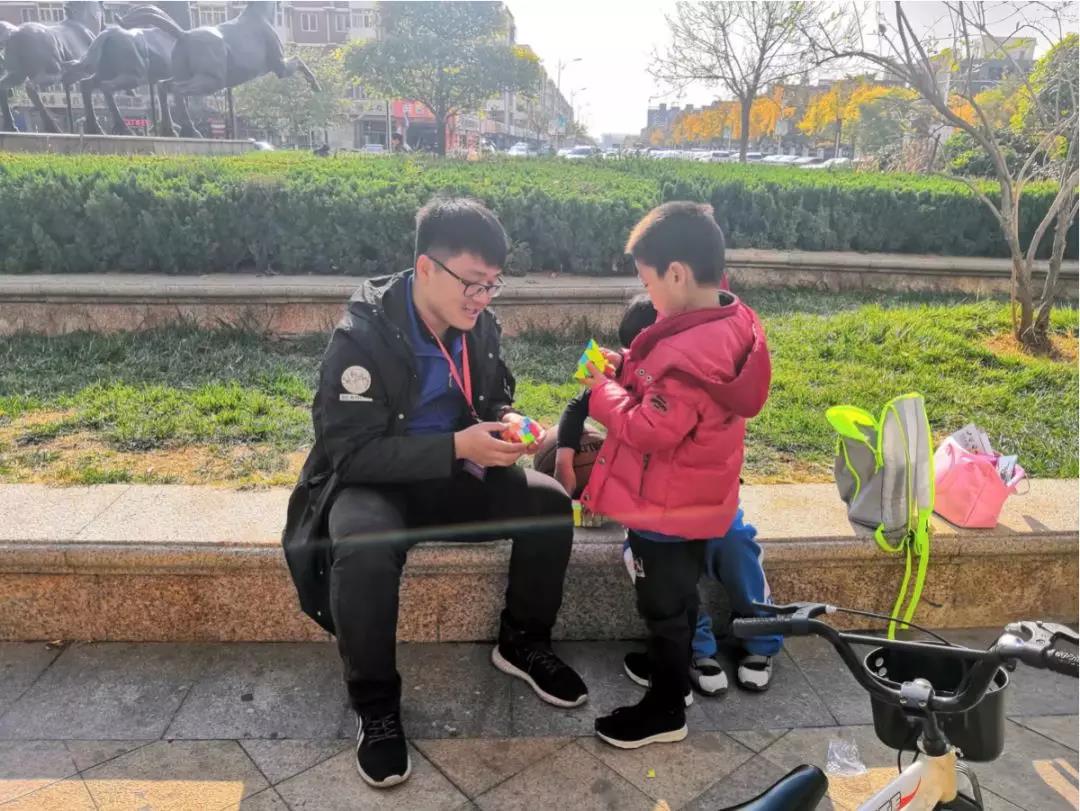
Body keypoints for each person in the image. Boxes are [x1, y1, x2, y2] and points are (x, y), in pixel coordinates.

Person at [281, 198, 588, 789]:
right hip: (377, 483)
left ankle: (523, 643)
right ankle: (375, 704)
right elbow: (351, 453)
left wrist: (507, 420)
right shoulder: (362, 337)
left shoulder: (478, 323)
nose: (482, 298)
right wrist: (455, 447)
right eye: (472, 283)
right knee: (365, 547)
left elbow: (489, 393)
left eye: (492, 285)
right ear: (426, 268)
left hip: (457, 473)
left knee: (549, 505)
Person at [579, 201, 773, 749]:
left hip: (664, 507)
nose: (648, 295)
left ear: (678, 274)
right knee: (680, 595)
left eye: (648, 283)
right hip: (698, 500)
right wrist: (624, 368)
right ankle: (672, 662)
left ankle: (665, 707)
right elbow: (668, 391)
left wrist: (600, 392)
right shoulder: (730, 320)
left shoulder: (689, 354)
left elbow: (648, 429)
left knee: (662, 606)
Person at [554, 294, 780, 702]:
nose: (634, 360)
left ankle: (762, 637)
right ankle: (698, 648)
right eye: (631, 351)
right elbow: (579, 405)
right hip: (657, 510)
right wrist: (566, 453)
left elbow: (649, 430)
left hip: (706, 504)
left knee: (735, 544)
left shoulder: (693, 373)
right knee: (655, 565)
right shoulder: (643, 364)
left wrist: (606, 389)